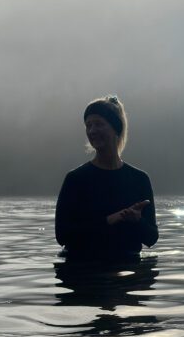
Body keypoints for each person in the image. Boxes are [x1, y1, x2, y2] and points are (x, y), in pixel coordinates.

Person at [55, 95, 158, 260]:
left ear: (116, 128)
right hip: (85, 272)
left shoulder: (139, 179)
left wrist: (137, 221)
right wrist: (109, 220)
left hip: (128, 271)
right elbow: (63, 236)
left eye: (99, 124)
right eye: (88, 125)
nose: (92, 131)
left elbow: (151, 238)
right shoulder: (76, 179)